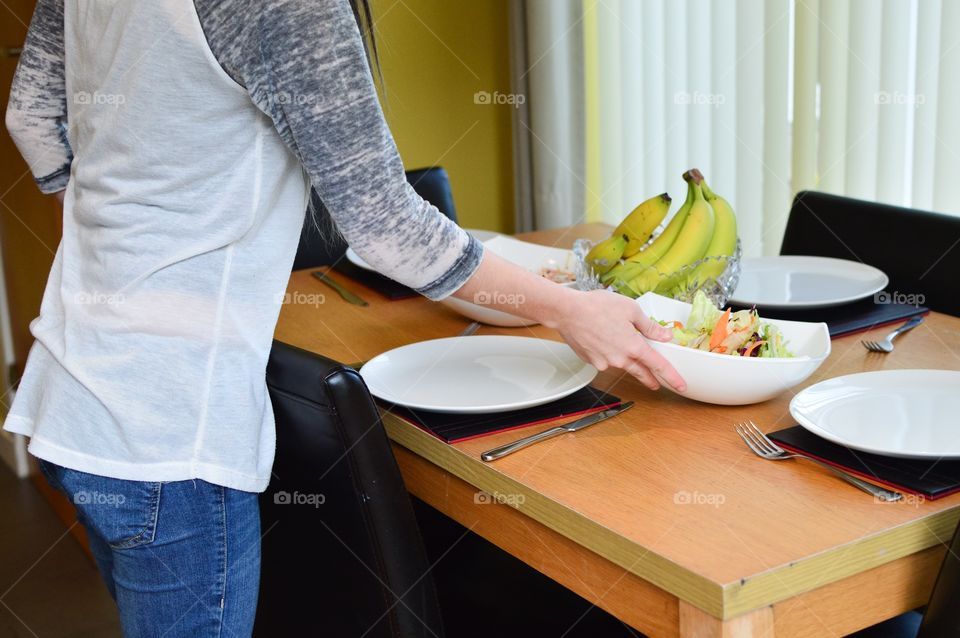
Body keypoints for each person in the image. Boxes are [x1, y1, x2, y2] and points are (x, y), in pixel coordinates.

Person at [4, 0, 685, 635]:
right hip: (171, 431)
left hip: (74, 393)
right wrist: (571, 308)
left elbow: (31, 114)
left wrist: (118, 255)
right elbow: (387, 225)